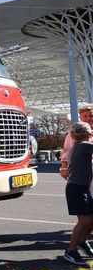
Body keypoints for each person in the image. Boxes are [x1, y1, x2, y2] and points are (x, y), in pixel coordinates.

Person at [60, 104, 93, 256]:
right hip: (77, 188)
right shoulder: (84, 145)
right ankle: (71, 250)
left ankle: (82, 242)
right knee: (84, 221)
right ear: (89, 134)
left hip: (81, 187)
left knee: (90, 219)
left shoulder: (79, 145)